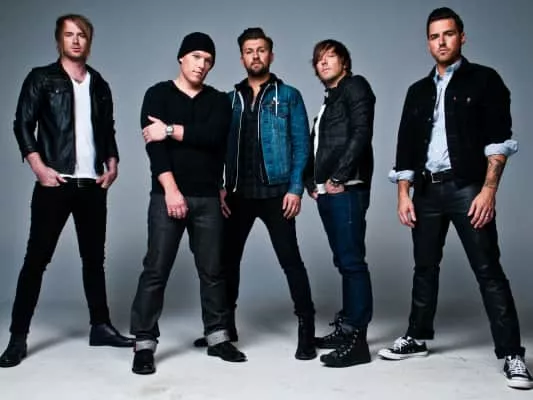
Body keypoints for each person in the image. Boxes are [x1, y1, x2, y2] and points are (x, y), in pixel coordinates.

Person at [380, 7, 532, 390]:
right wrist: (403, 195)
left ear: (462, 37)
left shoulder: (485, 80)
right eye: (434, 36)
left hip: (468, 189)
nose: (441, 42)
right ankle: (417, 336)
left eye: (448, 34)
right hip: (426, 191)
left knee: (488, 270)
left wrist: (488, 190)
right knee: (424, 267)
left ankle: (513, 354)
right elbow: (405, 146)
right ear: (428, 42)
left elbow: (498, 140)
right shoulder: (417, 91)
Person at [0, 14, 133, 369]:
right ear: (59, 40)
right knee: (36, 261)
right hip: (54, 184)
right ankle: (17, 337)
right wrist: (38, 167)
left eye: (82, 35)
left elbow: (107, 128)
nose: (76, 40)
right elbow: (22, 123)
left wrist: (113, 162)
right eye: (69, 35)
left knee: (94, 261)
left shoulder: (99, 83)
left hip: (92, 185)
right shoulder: (41, 78)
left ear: (89, 41)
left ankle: (100, 326)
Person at [192, 27, 316, 360]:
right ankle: (224, 330)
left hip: (277, 194)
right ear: (242, 58)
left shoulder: (288, 95)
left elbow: (302, 145)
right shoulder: (229, 99)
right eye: (249, 51)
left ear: (270, 55)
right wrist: (219, 186)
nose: (255, 56)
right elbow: (216, 147)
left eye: (261, 50)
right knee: (226, 263)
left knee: (291, 261)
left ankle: (307, 330)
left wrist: (295, 189)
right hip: (237, 195)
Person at [130, 32, 247, 375]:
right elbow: (155, 150)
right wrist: (171, 190)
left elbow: (215, 138)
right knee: (156, 270)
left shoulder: (218, 101)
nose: (202, 64)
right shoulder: (157, 94)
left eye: (208, 60)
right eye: (196, 56)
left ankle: (218, 338)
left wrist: (170, 130)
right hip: (167, 195)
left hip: (208, 197)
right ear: (182, 58)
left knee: (213, 271)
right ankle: (144, 344)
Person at [304, 39, 375, 368]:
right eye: (318, 59)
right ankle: (347, 329)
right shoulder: (329, 100)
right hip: (328, 192)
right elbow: (316, 144)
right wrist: (311, 183)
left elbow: (361, 134)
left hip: (346, 189)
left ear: (344, 62)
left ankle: (357, 342)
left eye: (330, 57)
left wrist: (338, 177)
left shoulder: (355, 87)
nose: (323, 63)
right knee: (344, 261)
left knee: (352, 262)